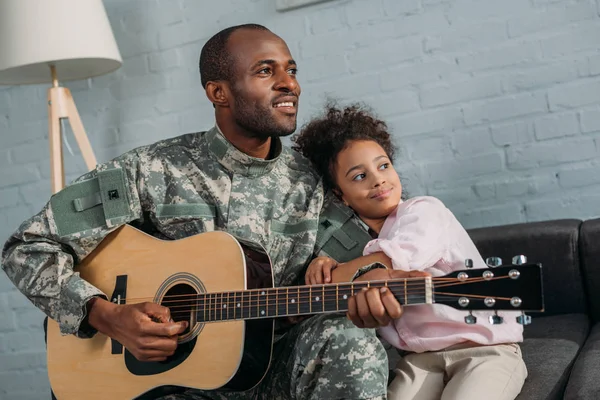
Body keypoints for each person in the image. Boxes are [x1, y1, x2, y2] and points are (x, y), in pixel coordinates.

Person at [1, 24, 416, 400]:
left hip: (267, 374)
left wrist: (369, 278)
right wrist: (107, 316)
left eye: (291, 70)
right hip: (169, 384)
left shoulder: (314, 181)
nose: (290, 84)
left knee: (348, 339)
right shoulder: (150, 170)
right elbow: (26, 248)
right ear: (219, 92)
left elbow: (375, 245)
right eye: (266, 71)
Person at [293, 103, 528, 400]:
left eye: (383, 166)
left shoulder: (423, 211)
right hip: (419, 361)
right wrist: (323, 261)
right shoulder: (356, 245)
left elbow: (387, 263)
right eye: (359, 176)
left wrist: (336, 271)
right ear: (341, 196)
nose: (378, 179)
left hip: (484, 350)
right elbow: (349, 282)